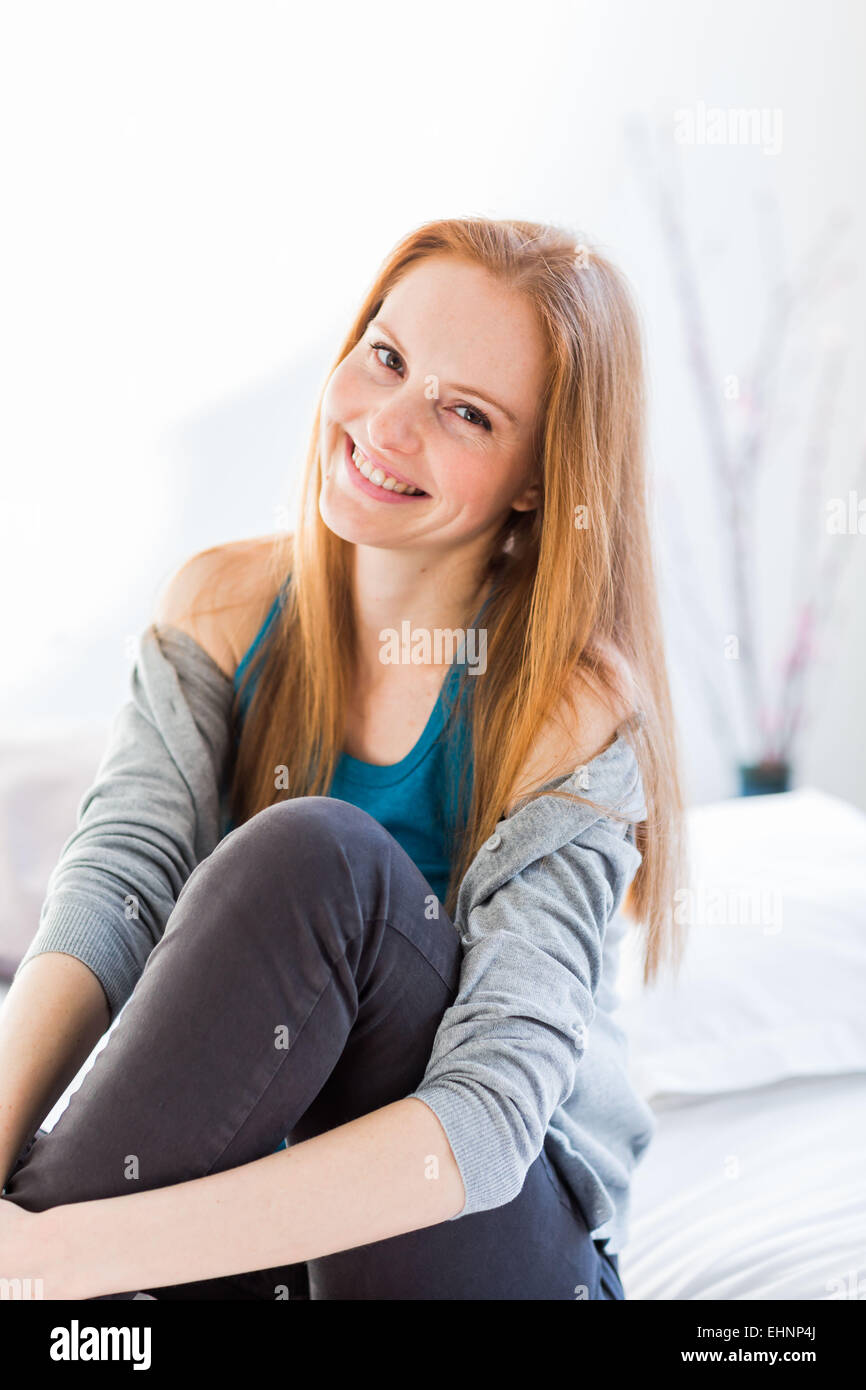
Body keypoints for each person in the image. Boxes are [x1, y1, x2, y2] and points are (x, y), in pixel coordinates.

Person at [0, 216, 686, 1300]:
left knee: (319, 859)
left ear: (535, 478)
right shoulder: (222, 609)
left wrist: (52, 1254)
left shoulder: (567, 711)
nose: (388, 424)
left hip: (488, 1251)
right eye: (386, 357)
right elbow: (115, 893)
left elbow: (490, 1116)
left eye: (463, 412)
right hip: (244, 1241)